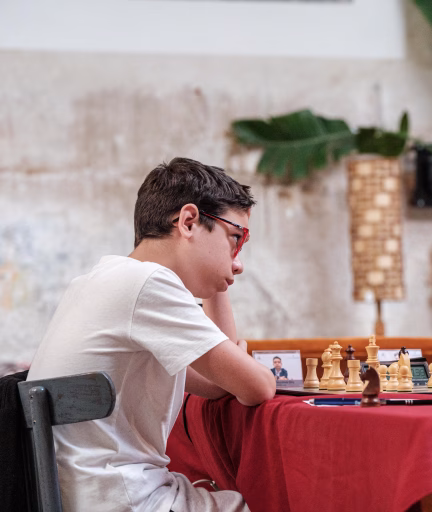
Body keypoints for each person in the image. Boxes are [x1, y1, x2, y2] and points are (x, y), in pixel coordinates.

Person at [26, 157, 276, 511]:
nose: (239, 262)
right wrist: (241, 357)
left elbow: (219, 384)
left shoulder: (99, 280)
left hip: (87, 496)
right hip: (128, 498)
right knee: (282, 499)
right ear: (189, 221)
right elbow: (257, 387)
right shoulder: (148, 284)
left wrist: (219, 273)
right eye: (235, 238)